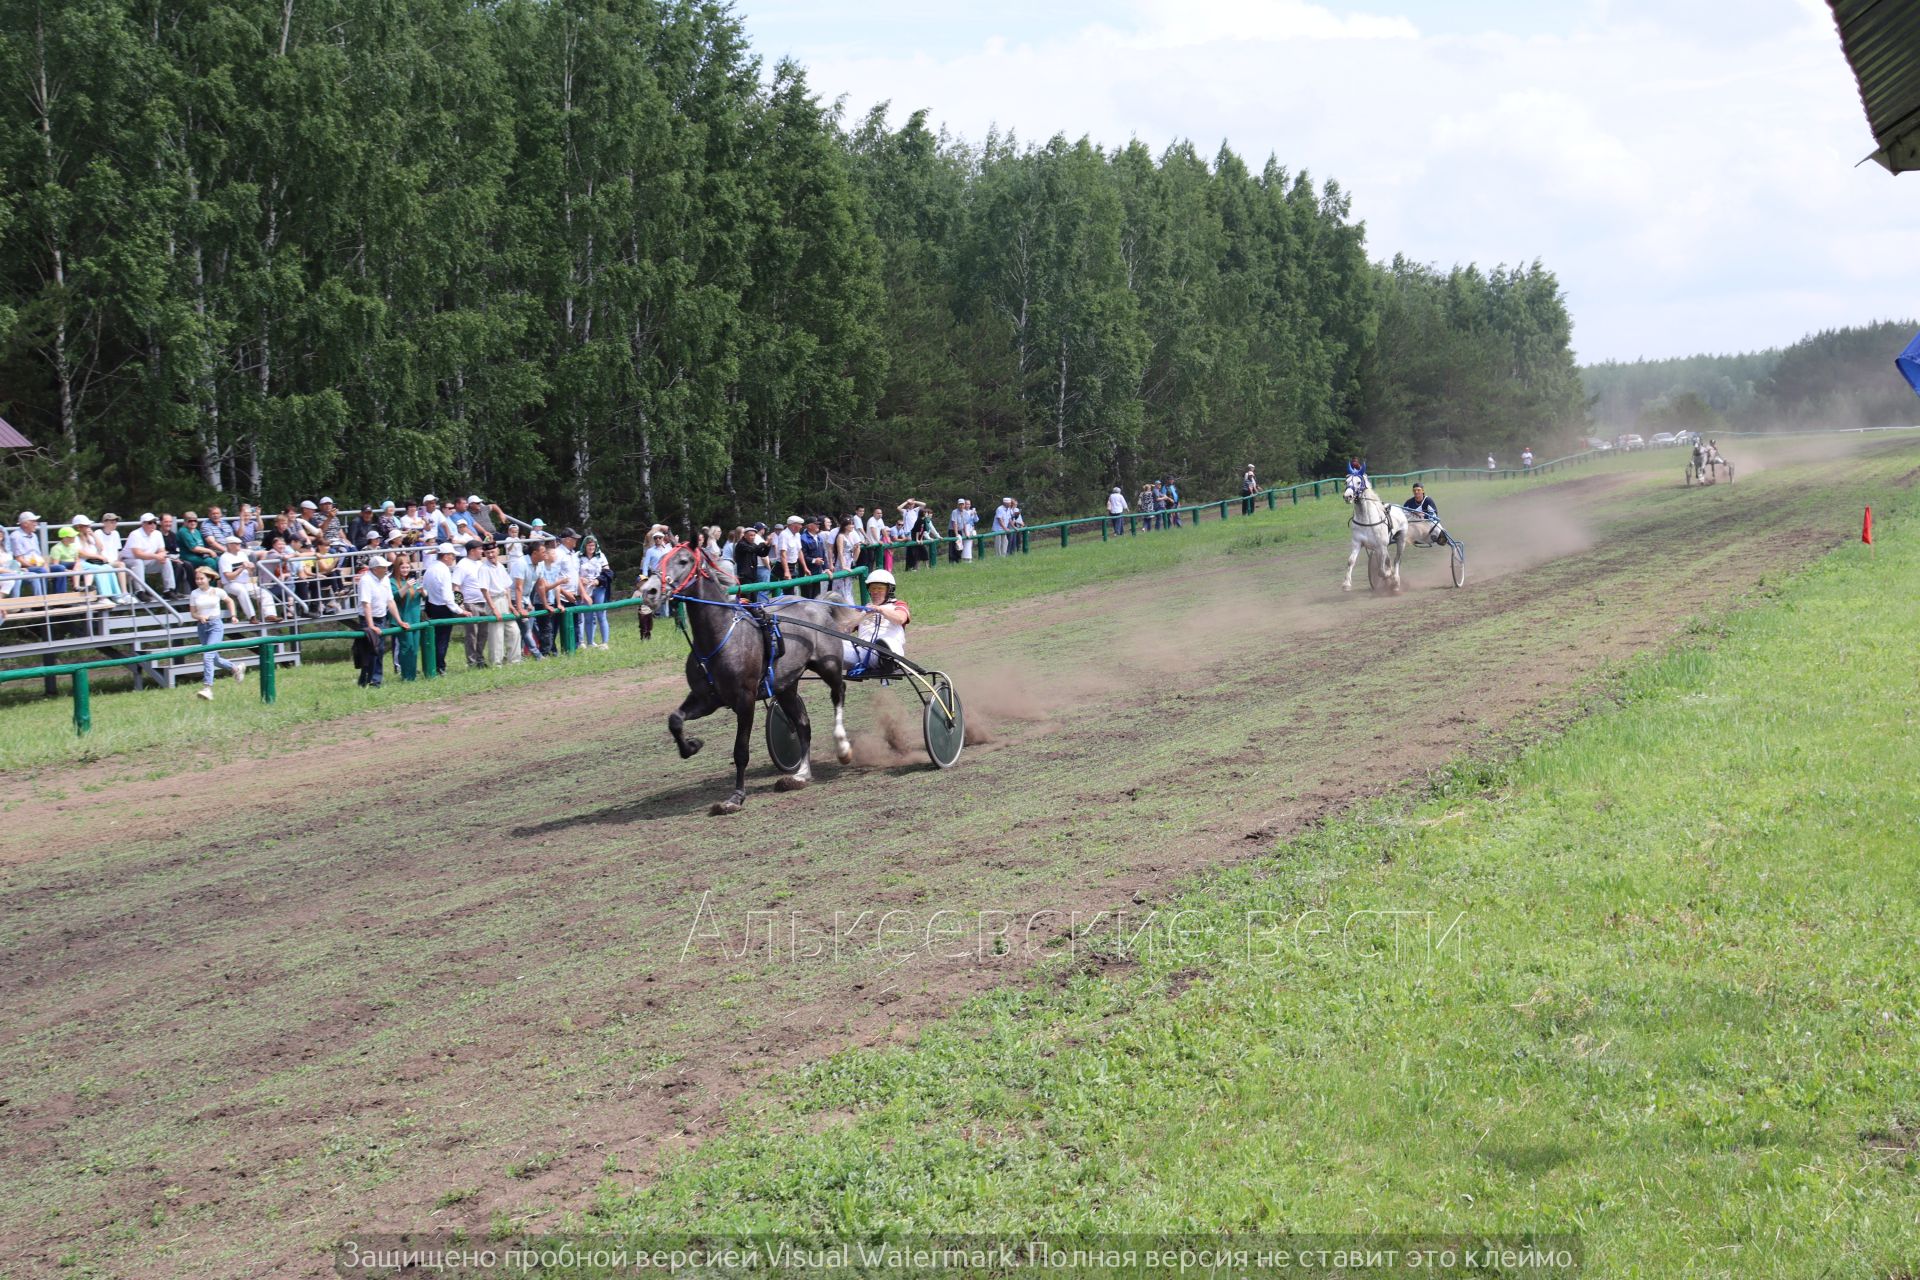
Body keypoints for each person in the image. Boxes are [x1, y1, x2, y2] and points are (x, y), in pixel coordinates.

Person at [187, 566, 244, 700]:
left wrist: (233, 615)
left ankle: (207, 688)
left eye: (201, 578)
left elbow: (230, 601)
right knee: (215, 659)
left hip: (215, 626)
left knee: (208, 656)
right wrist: (199, 617)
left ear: (209, 579)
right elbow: (193, 613)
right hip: (202, 626)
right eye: (197, 579)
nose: (199, 581)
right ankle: (235, 669)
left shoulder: (217, 591)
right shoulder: (194, 594)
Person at [844, 568, 910, 679]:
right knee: (835, 643)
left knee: (883, 643)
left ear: (889, 590)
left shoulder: (898, 605)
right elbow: (846, 629)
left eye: (880, 589)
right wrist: (864, 614)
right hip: (861, 655)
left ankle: (887, 661)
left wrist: (880, 610)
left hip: (890, 651)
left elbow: (900, 619)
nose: (875, 592)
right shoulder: (863, 610)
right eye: (872, 588)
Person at [355, 555, 407, 687]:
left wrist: (399, 621)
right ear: (375, 569)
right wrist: (371, 625)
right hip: (369, 619)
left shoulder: (385, 580)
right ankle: (369, 680)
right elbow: (366, 604)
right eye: (383, 567)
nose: (386, 569)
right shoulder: (366, 581)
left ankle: (373, 680)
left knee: (378, 650)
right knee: (371, 651)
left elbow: (390, 601)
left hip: (381, 618)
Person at [391, 553, 425, 678]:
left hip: (415, 619)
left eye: (407, 567)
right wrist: (406, 587)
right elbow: (394, 597)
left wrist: (423, 592)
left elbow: (420, 597)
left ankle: (412, 672)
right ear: (397, 568)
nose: (405, 570)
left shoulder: (412, 581)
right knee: (406, 647)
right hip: (403, 620)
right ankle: (406, 674)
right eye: (402, 568)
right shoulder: (392, 581)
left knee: (414, 648)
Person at [124, 512, 174, 596]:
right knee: (138, 561)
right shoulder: (135, 534)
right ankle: (140, 591)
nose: (153, 525)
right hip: (129, 562)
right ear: (143, 524)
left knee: (166, 560)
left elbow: (162, 550)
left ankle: (169, 589)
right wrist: (157, 556)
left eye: (155, 522)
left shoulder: (157, 534)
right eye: (150, 522)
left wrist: (162, 556)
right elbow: (137, 554)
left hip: (146, 561)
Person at [578, 534, 611, 649]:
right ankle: (590, 642)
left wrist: (598, 580)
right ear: (585, 546)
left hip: (599, 588)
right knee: (588, 616)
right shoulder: (579, 556)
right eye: (589, 545)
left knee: (601, 614)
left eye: (593, 545)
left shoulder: (601, 556)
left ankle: (605, 642)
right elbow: (574, 572)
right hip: (585, 589)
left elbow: (608, 573)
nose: (591, 547)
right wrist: (581, 579)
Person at [7, 512, 47, 595]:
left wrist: (44, 563)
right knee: (42, 571)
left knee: (59, 568)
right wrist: (35, 566)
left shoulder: (34, 536)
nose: (36, 524)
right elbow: (19, 559)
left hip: (37, 564)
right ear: (25, 524)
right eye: (33, 521)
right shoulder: (16, 536)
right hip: (23, 566)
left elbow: (38, 555)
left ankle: (59, 599)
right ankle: (43, 600)